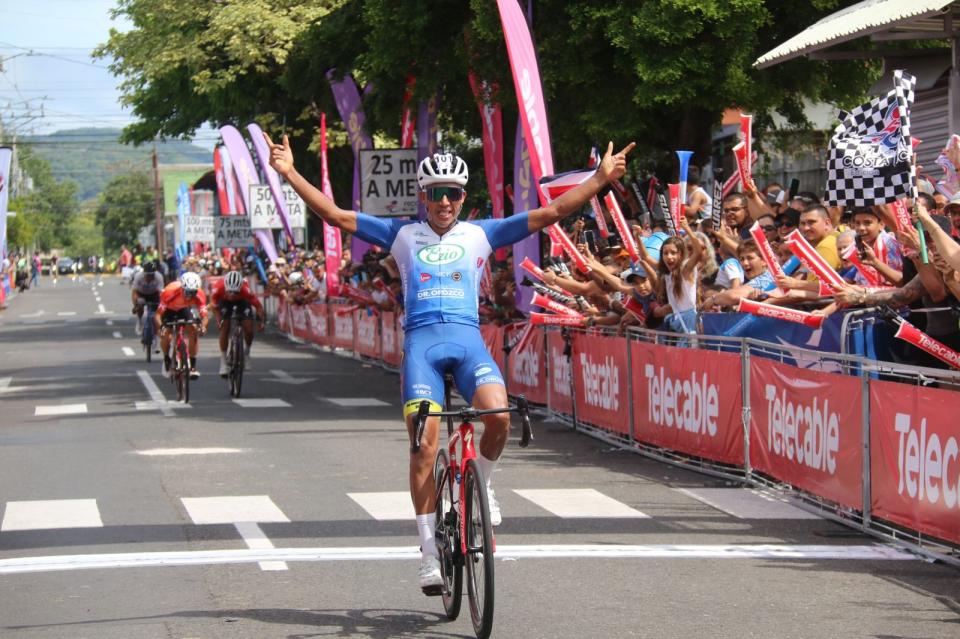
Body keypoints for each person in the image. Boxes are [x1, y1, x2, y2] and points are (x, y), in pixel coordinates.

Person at [265, 131, 633, 593]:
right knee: (424, 443)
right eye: (436, 193)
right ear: (424, 196)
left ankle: (486, 481)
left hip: (467, 343)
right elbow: (334, 215)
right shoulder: (401, 234)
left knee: (498, 415)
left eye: (453, 193)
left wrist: (599, 179)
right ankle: (426, 554)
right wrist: (290, 172)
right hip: (421, 346)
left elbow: (554, 212)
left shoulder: (484, 232)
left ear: (463, 197)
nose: (444, 201)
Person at [210, 270, 265, 376]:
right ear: (225, 287)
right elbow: (213, 305)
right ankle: (223, 362)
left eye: (235, 292)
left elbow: (259, 307)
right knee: (224, 327)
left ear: (240, 288)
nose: (232, 295)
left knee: (249, 329)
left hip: (242, 301)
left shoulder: (246, 290)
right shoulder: (219, 288)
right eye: (229, 291)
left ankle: (247, 353)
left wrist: (260, 322)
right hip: (224, 302)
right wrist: (218, 319)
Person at [156, 271, 209, 380]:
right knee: (166, 333)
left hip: (184, 309)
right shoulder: (169, 292)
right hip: (169, 310)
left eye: (192, 293)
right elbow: (157, 315)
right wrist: (161, 326)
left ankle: (193, 366)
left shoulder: (200, 294)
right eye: (187, 292)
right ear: (182, 288)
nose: (189, 296)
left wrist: (202, 327)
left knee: (194, 330)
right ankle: (166, 357)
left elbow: (205, 316)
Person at [131, 260, 166, 337]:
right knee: (140, 303)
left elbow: (161, 294)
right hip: (141, 294)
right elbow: (134, 292)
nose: (149, 277)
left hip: (154, 294)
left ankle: (157, 330)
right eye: (147, 275)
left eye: (151, 275)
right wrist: (136, 305)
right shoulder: (138, 276)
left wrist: (162, 305)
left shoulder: (159, 277)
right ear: (144, 273)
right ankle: (139, 321)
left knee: (157, 312)